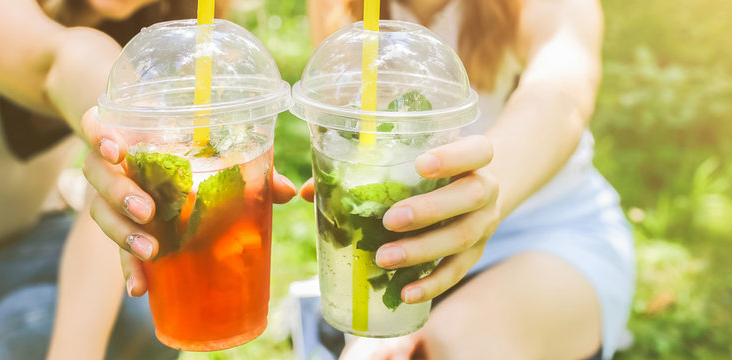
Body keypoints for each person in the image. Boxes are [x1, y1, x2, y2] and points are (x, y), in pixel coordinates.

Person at [86, 0, 634, 359]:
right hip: (387, 237)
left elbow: (563, 86)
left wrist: (482, 194)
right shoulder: (345, 6)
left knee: (454, 347)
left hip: (542, 231)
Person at [0, 0, 297, 358]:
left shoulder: (165, 30)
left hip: (11, 246)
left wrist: (146, 151)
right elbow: (59, 60)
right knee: (42, 321)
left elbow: (119, 195)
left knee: (148, 297)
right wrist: (134, 125)